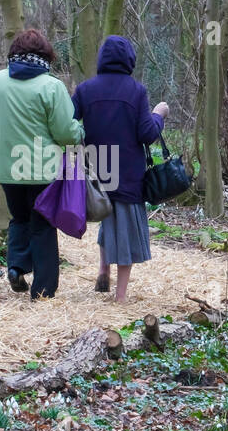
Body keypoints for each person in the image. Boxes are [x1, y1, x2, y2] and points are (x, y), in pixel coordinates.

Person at [0, 29, 83, 299]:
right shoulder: (52, 86)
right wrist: (80, 133)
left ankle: (16, 267)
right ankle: (43, 291)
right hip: (42, 170)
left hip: (8, 169)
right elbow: (65, 133)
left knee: (19, 219)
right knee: (43, 225)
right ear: (46, 55)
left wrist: (0, 149)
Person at [71, 35, 169, 303]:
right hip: (127, 173)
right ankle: (121, 297)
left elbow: (67, 122)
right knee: (124, 230)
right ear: (129, 60)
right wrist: (159, 115)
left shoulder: (84, 90)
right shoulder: (136, 91)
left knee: (106, 215)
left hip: (96, 170)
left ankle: (103, 269)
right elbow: (147, 133)